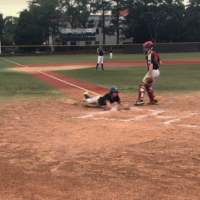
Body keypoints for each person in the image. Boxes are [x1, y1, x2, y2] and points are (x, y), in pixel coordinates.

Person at [135, 41, 162, 106]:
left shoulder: (149, 55)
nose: (144, 49)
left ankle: (140, 100)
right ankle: (152, 100)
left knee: (142, 84)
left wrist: (149, 75)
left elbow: (151, 65)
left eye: (146, 48)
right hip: (157, 72)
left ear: (149, 48)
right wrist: (156, 70)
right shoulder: (155, 53)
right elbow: (160, 63)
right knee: (148, 85)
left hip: (152, 71)